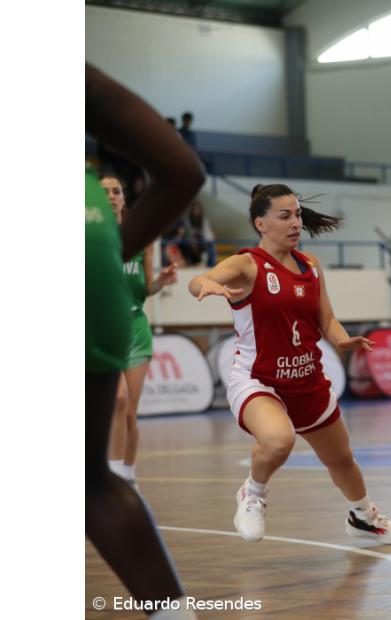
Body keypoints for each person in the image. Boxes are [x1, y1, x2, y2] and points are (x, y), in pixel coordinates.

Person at [187, 183, 391, 544]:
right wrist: (204, 286)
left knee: (342, 459)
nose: (295, 223)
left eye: (298, 215)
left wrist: (341, 339)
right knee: (277, 440)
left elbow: (327, 319)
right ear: (260, 223)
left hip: (307, 378)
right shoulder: (247, 264)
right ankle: (252, 494)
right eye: (284, 216)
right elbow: (199, 279)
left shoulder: (311, 265)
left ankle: (363, 517)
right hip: (259, 380)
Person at [86, 63, 205, 619]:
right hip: (93, 267)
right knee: (89, 481)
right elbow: (182, 170)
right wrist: (110, 256)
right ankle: (172, 613)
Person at [100, 173, 179, 488]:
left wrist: (162, 281)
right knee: (117, 402)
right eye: (104, 191)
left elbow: (145, 288)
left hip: (133, 327)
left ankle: (128, 478)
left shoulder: (142, 237)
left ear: (123, 198)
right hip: (100, 329)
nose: (111, 196)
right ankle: (113, 478)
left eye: (116, 191)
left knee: (129, 414)